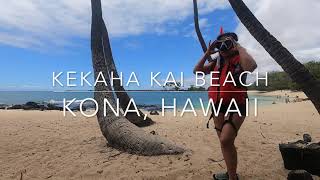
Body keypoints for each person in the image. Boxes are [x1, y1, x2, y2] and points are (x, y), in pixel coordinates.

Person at [193, 30, 257, 180]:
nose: (223, 46)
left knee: (225, 140)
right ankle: (231, 174)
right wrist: (208, 52)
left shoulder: (240, 58)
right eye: (220, 44)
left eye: (227, 42)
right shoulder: (217, 61)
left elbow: (251, 67)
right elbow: (197, 71)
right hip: (217, 106)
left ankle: (232, 177)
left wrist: (239, 47)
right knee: (225, 143)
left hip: (237, 104)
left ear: (234, 44)